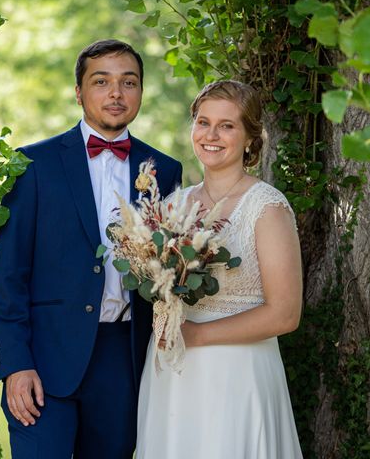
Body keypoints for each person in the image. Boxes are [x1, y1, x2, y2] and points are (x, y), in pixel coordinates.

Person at [0, 39, 182, 458]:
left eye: (128, 82)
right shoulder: (31, 167)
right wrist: (15, 364)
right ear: (79, 92)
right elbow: (8, 279)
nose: (116, 93)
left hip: (125, 359)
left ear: (141, 92)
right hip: (43, 359)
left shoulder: (166, 170)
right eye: (102, 82)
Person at [136, 80, 303, 458]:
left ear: (249, 139)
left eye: (227, 125)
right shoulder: (171, 207)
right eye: (203, 122)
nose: (211, 135)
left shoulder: (266, 208)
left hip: (238, 372)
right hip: (174, 374)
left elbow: (286, 314)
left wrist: (196, 335)